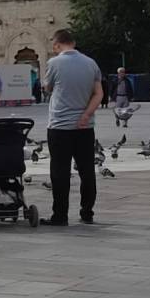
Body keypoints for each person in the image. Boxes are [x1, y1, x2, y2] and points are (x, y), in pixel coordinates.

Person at [42, 29, 103, 227]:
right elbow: (98, 93)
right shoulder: (91, 63)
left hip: (59, 126)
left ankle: (60, 215)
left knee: (60, 171)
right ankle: (87, 212)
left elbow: (48, 88)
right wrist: (86, 114)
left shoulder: (54, 63)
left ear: (56, 45)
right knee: (87, 170)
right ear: (74, 43)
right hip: (85, 128)